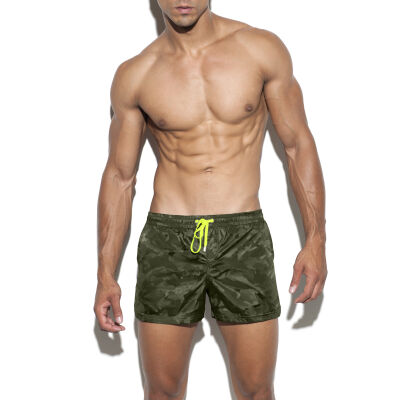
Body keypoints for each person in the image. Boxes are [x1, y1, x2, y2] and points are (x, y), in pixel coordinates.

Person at [94, 1, 327, 399]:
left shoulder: (260, 49)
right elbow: (119, 177)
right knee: (161, 392)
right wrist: (105, 273)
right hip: (169, 240)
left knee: (256, 390)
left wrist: (316, 239)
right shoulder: (136, 74)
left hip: (242, 237)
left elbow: (297, 146)